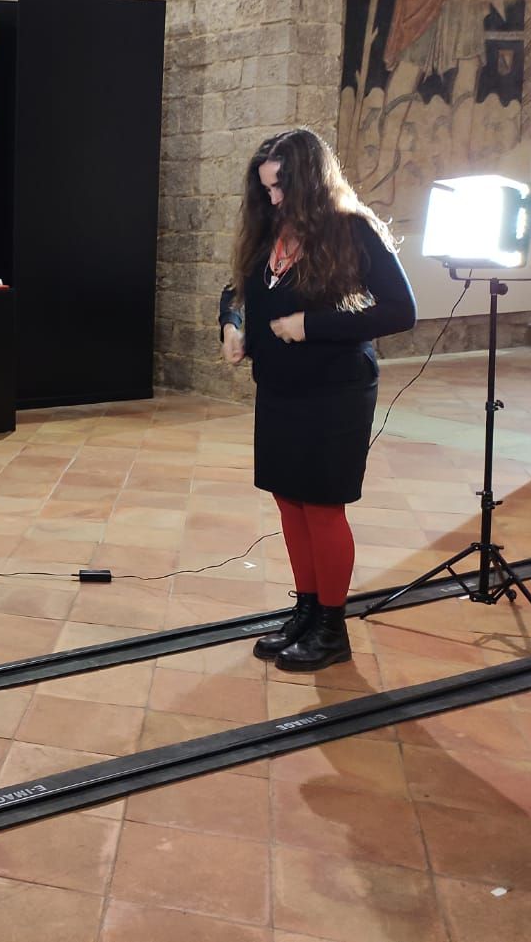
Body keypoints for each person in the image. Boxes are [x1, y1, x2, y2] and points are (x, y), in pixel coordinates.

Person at [218, 128, 417, 672]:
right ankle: (305, 612)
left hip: (336, 388)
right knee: (288, 499)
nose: (273, 198)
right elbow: (236, 292)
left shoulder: (352, 230)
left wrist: (313, 324)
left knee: (323, 506)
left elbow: (401, 311)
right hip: (280, 387)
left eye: (281, 187)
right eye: (265, 189)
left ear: (309, 179)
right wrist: (232, 326)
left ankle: (332, 628)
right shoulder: (267, 231)